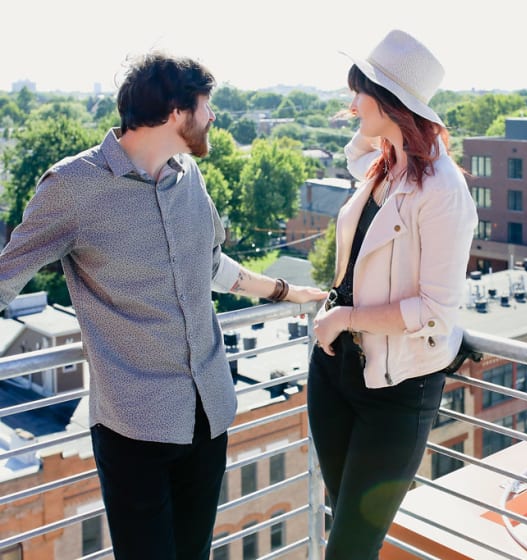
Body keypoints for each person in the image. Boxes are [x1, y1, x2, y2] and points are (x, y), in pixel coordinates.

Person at [0, 52, 326, 560]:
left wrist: (287, 292)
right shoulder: (72, 186)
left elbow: (212, 265)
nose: (213, 116)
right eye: (206, 104)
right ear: (177, 111)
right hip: (136, 426)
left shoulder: (189, 176)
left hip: (209, 411)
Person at [308, 30, 478, 559]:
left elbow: (434, 310)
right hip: (335, 374)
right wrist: (381, 128)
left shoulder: (444, 193)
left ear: (393, 103)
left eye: (361, 91)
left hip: (398, 389)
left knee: (350, 549)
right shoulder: (383, 169)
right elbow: (357, 146)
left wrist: (342, 319)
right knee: (345, 528)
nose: (351, 103)